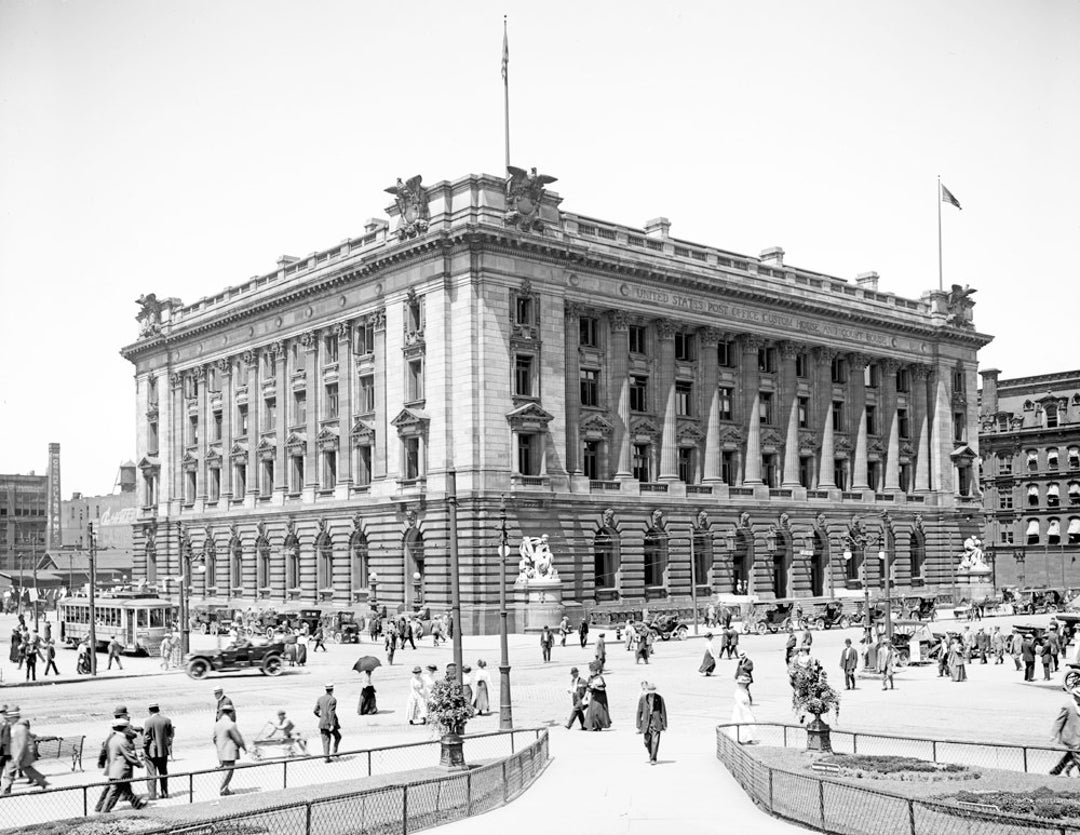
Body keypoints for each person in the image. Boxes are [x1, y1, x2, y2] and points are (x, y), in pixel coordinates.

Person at [101, 719, 144, 811]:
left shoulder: (112, 738)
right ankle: (104, 811)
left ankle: (137, 805)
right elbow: (129, 755)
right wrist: (139, 764)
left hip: (114, 768)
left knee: (126, 789)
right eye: (128, 727)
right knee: (114, 792)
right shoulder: (122, 741)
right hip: (121, 770)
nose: (129, 729)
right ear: (124, 728)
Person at [143, 702, 173, 801]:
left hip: (151, 752)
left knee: (151, 773)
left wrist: (144, 747)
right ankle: (165, 793)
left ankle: (152, 795)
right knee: (163, 773)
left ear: (149, 710)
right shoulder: (167, 720)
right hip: (163, 750)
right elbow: (170, 735)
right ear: (158, 709)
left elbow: (146, 738)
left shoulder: (148, 722)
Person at [213, 707, 246, 796]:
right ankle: (223, 789)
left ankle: (225, 788)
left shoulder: (217, 724)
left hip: (221, 751)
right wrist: (244, 748)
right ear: (231, 713)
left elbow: (214, 738)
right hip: (230, 751)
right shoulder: (231, 724)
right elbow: (238, 738)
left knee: (225, 770)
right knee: (229, 771)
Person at [635, 682, 667, 765]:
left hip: (656, 721)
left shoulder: (659, 698)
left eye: (653, 692)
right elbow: (639, 711)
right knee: (646, 741)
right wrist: (638, 724)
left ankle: (653, 758)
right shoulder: (643, 698)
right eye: (650, 691)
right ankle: (651, 753)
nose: (651, 693)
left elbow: (663, 711)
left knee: (655, 741)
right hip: (646, 721)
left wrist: (664, 724)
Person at [1051, 687, 1080, 775]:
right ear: (1075, 696)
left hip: (1078, 735)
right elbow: (1059, 721)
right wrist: (1053, 734)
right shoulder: (1068, 706)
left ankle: (1056, 770)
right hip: (1071, 736)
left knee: (1071, 755)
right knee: (1077, 754)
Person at [314, 683, 341, 762]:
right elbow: (331, 712)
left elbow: (315, 711)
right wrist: (332, 724)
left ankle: (327, 757)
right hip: (330, 723)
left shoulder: (320, 698)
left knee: (325, 740)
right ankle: (334, 752)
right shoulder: (332, 699)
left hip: (322, 723)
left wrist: (321, 716)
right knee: (338, 737)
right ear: (332, 690)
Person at [732, 674, 758, 743]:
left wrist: (749, 710)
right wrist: (745, 710)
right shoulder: (737, 692)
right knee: (741, 723)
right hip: (740, 710)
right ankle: (739, 738)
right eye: (742, 683)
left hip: (746, 708)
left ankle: (749, 738)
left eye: (745, 683)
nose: (744, 685)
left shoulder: (745, 691)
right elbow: (739, 703)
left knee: (750, 723)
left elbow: (748, 701)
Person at [585, 662, 611, 731]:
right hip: (593, 696)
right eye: (591, 671)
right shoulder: (589, 678)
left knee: (598, 711)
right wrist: (586, 696)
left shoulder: (600, 678)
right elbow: (588, 688)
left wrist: (596, 687)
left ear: (596, 671)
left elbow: (602, 688)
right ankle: (593, 725)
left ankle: (598, 726)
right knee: (592, 711)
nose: (591, 672)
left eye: (593, 671)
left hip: (600, 696)